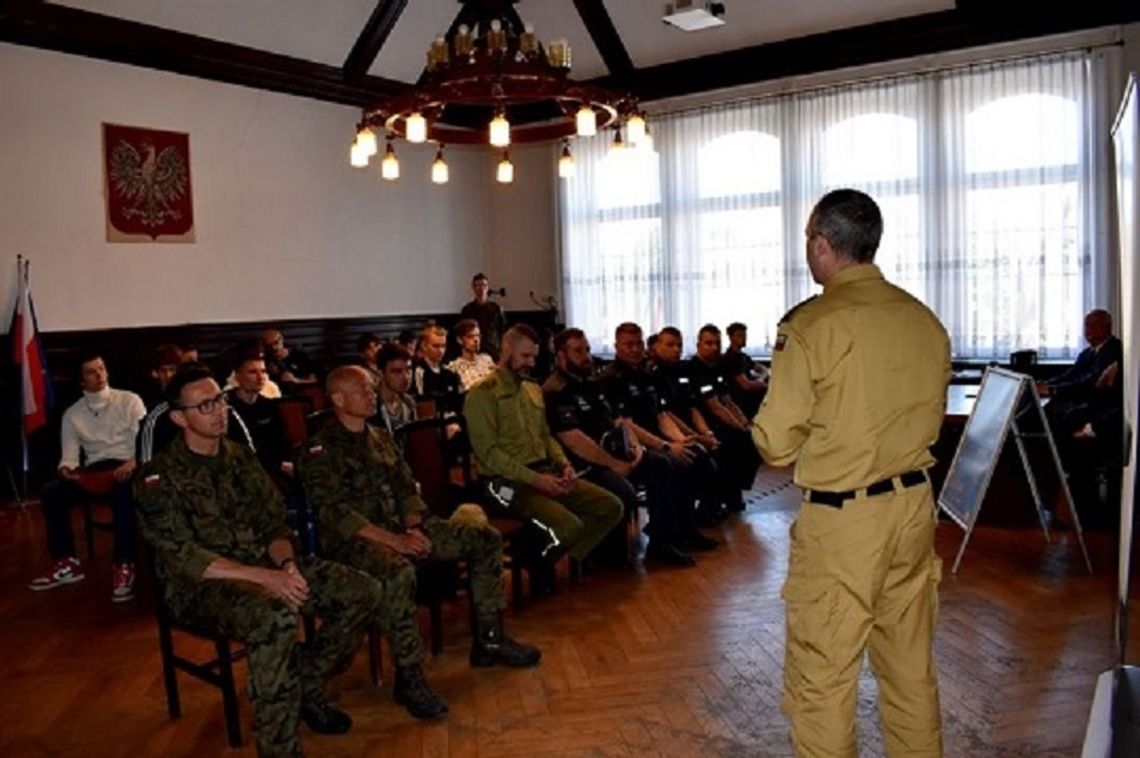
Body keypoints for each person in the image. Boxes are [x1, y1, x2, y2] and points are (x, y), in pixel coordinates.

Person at [752, 189, 949, 757]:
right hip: (912, 509)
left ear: (820, 243)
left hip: (844, 523)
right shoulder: (922, 319)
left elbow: (776, 444)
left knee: (823, 680)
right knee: (910, 671)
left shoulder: (811, 326)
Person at [135, 366, 382, 756]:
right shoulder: (159, 478)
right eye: (204, 405)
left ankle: (304, 685)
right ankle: (278, 745)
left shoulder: (240, 457)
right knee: (275, 617)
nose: (218, 411)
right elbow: (183, 556)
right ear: (179, 418)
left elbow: (274, 524)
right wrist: (266, 578)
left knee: (362, 590)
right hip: (199, 586)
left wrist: (285, 567)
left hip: (263, 568)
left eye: (220, 400)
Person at [299, 365, 540, 721]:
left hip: (400, 530)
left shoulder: (380, 437)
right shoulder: (317, 451)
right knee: (397, 574)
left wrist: (413, 527)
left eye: (372, 389)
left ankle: (489, 639)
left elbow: (406, 488)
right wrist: (396, 541)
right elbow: (336, 515)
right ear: (338, 398)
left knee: (483, 539)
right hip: (355, 543)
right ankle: (410, 677)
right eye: (363, 390)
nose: (372, 395)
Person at [464, 324, 623, 591]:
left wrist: (564, 465)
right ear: (507, 351)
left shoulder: (532, 389)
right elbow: (489, 455)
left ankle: (547, 557)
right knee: (569, 526)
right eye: (525, 356)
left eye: (534, 356)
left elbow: (547, 436)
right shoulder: (482, 394)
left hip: (543, 472)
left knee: (611, 507)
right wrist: (536, 480)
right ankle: (537, 560)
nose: (531, 363)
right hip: (501, 483)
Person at [543, 328, 715, 567]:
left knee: (670, 463)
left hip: (617, 453)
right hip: (585, 465)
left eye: (588, 350)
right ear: (560, 355)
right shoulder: (556, 390)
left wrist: (636, 450)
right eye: (578, 351)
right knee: (636, 482)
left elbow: (619, 421)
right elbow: (574, 440)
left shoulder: (590, 383)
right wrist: (615, 463)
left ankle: (669, 538)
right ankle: (614, 552)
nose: (586, 356)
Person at [28, 352, 146, 602]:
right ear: (81, 381)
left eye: (102, 368)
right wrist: (66, 470)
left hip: (128, 465)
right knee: (52, 491)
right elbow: (69, 456)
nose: (100, 375)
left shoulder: (129, 400)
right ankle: (66, 561)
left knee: (123, 490)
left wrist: (132, 463)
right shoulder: (72, 414)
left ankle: (124, 563)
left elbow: (144, 444)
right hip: (95, 469)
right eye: (92, 372)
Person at [687, 324, 763, 511]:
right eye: (709, 343)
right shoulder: (694, 368)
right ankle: (716, 499)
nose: (714, 347)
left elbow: (728, 402)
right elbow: (714, 407)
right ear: (699, 345)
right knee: (733, 444)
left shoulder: (716, 368)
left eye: (717, 343)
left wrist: (745, 423)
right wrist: (740, 427)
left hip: (721, 422)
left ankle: (732, 492)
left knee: (751, 440)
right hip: (703, 423)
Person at [1038, 309, 1123, 444]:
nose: (1088, 330)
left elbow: (1089, 382)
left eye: (1094, 325)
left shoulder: (1114, 349)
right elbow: (1069, 376)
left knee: (1065, 417)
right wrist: (1047, 384)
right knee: (1048, 410)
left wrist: (1053, 390)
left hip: (1103, 405)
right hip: (1084, 400)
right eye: (1086, 325)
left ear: (1107, 327)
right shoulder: (1087, 353)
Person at [225, 345, 293, 490]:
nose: (260, 377)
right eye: (252, 372)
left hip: (274, 468)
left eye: (263, 371)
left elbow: (282, 443)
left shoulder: (269, 406)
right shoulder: (227, 408)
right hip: (242, 470)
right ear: (238, 375)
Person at [722, 322, 769, 419]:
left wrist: (761, 379)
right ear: (731, 338)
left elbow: (762, 368)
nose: (743, 338)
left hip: (752, 397)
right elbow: (746, 385)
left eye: (744, 335)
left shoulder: (743, 357)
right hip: (741, 401)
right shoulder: (731, 358)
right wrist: (763, 382)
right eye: (739, 335)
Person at [412, 323, 463, 414]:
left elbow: (458, 402)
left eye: (443, 346)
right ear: (424, 346)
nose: (441, 351)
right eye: (436, 346)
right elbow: (422, 405)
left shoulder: (450, 373)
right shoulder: (418, 372)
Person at [459, 273, 508, 360]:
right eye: (478, 285)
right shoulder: (467, 310)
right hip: (474, 350)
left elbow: (502, 331)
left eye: (484, 285)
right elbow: (462, 332)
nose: (481, 288)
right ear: (473, 287)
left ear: (488, 287)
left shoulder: (496, 309)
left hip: (493, 350)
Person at [375, 342, 417, 438]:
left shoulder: (408, 403)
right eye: (397, 372)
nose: (406, 377)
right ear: (381, 373)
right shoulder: (371, 405)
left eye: (408, 370)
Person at [447, 319, 497, 392]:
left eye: (478, 336)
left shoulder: (487, 360)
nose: (476, 340)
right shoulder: (454, 367)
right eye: (470, 336)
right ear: (459, 340)